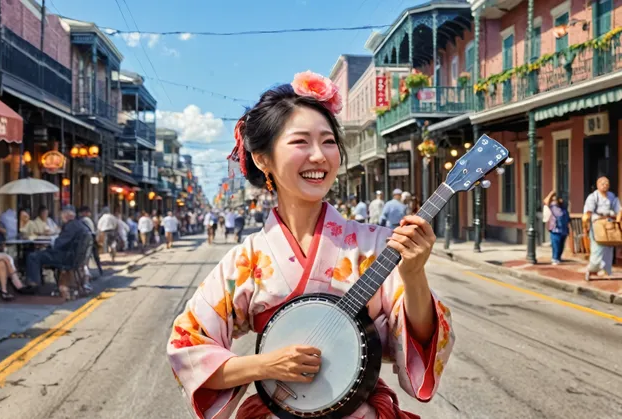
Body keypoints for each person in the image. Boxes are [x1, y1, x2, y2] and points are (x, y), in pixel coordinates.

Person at [167, 72, 453, 419]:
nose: (319, 156)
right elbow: (187, 348)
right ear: (262, 158)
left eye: (329, 141)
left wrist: (413, 275)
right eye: (301, 142)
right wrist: (262, 365)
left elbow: (421, 339)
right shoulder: (246, 259)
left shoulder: (378, 246)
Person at [25, 206, 90, 286]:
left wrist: (51, 243)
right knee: (40, 254)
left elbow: (58, 244)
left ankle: (34, 283)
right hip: (73, 257)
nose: (61, 217)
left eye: (62, 215)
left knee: (33, 256)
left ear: (66, 215)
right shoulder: (79, 225)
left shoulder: (70, 226)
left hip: (65, 258)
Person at [583, 176, 621, 280]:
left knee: (609, 248)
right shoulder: (593, 197)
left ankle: (606, 271)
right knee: (597, 249)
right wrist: (585, 224)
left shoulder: (612, 196)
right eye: (603, 183)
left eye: (607, 184)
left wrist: (618, 220)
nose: (605, 185)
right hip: (598, 224)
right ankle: (591, 269)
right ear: (598, 185)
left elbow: (618, 209)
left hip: (610, 223)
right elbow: (588, 212)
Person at [543, 191, 570, 266]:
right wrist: (551, 193)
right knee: (555, 244)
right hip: (555, 229)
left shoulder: (564, 208)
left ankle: (558, 257)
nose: (561, 200)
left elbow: (567, 219)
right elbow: (545, 201)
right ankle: (554, 258)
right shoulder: (553, 206)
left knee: (561, 245)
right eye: (560, 199)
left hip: (563, 229)